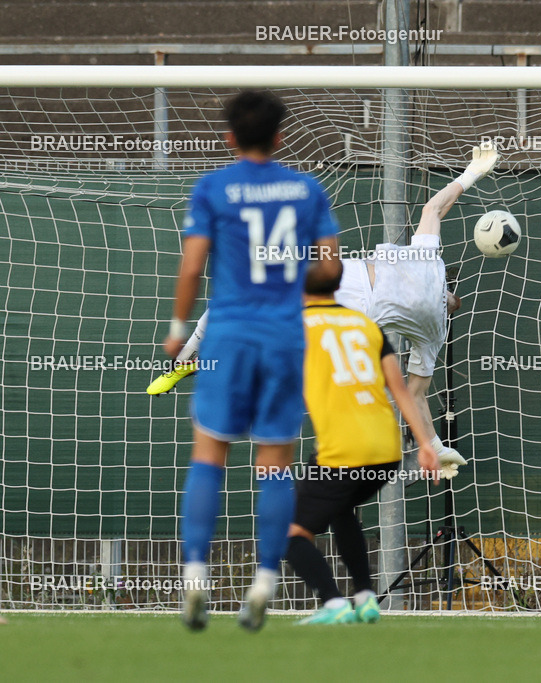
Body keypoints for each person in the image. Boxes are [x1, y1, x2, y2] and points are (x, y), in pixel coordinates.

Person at [148, 145, 500, 478]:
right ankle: (192, 360)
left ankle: (197, 363)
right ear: (453, 296)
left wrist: (436, 448)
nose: (454, 302)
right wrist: (473, 171)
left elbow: (415, 396)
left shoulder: (433, 330)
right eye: (456, 299)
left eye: (455, 305)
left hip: (347, 304)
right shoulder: (430, 261)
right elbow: (433, 209)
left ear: (451, 311)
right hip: (344, 279)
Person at [165, 90, 340, 632]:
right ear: (281, 137)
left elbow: (193, 268)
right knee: (274, 463)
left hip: (231, 334)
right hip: (286, 337)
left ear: (230, 138)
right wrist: (288, 270)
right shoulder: (307, 189)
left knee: (209, 452)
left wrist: (176, 330)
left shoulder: (214, 187)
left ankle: (196, 578)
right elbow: (330, 271)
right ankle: (263, 582)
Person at [285, 266, 439, 624]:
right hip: (386, 451)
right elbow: (400, 389)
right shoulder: (365, 325)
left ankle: (333, 603)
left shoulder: (296, 326)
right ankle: (366, 596)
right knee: (341, 510)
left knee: (287, 532)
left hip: (345, 452)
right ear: (338, 285)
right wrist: (425, 443)